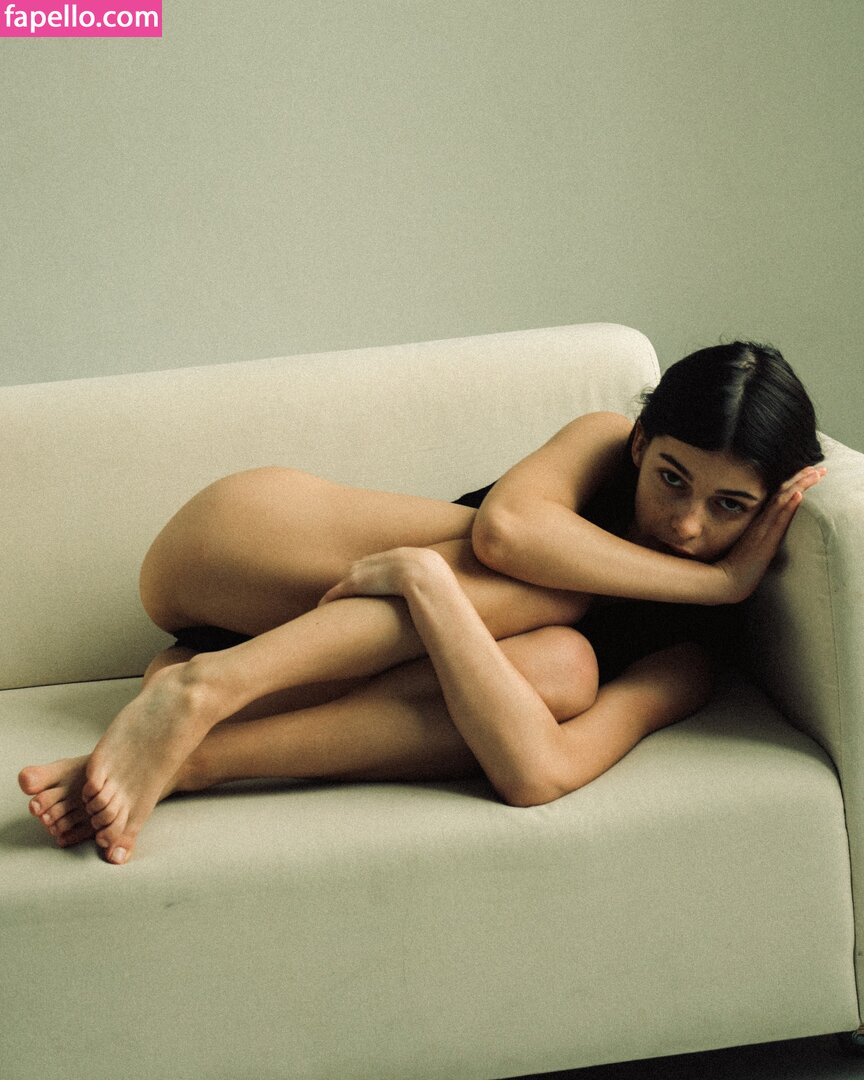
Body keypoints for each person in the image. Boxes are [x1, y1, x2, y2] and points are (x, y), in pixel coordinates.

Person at [19, 341, 826, 866]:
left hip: (265, 665)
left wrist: (430, 586)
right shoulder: (602, 442)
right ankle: (206, 692)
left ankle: (189, 740)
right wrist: (717, 580)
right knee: (557, 581)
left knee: (564, 671)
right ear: (643, 444)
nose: (686, 525)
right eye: (672, 479)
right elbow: (508, 534)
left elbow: (540, 773)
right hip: (235, 552)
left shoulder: (685, 658)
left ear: (766, 512)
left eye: (730, 507)